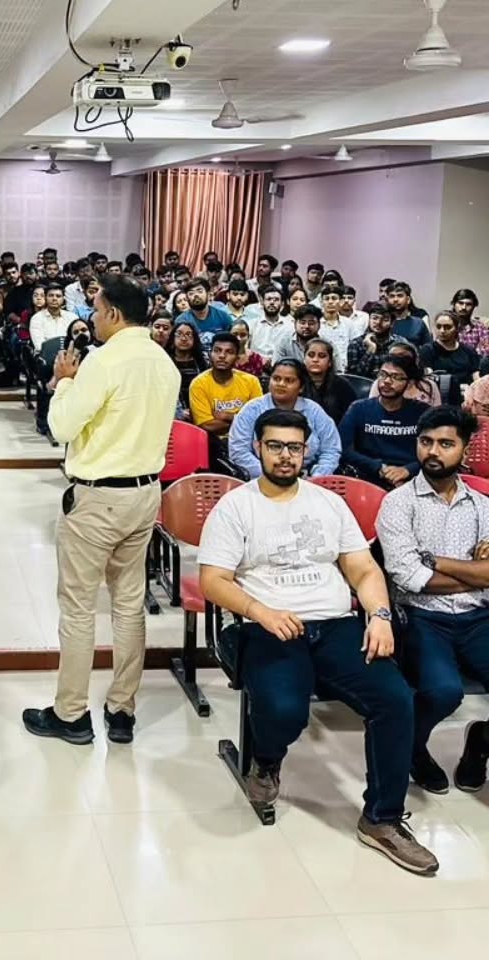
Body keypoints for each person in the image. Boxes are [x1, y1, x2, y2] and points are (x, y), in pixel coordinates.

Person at [198, 408, 437, 875]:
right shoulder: (236, 506)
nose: (285, 456)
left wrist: (380, 616)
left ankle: (382, 819)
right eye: (275, 446)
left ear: (306, 451)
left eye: (294, 447)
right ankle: (266, 761)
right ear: (257, 448)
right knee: (285, 709)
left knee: (395, 700)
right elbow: (213, 580)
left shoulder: (327, 503)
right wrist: (262, 612)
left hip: (335, 623)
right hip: (267, 624)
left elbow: (363, 569)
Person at [22, 275, 179, 746]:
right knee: (129, 604)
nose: (91, 318)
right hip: (145, 493)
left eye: (95, 309)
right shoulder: (164, 361)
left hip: (98, 497)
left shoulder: (103, 361)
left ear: (113, 313)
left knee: (78, 607)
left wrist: (64, 382)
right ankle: (121, 709)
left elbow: (61, 426)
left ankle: (71, 713)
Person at [377, 406, 489, 796]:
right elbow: (408, 578)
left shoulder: (482, 506)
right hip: (422, 617)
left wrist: (434, 560)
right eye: (426, 442)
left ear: (464, 449)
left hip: (480, 616)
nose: (433, 452)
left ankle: (481, 743)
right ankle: (412, 746)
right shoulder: (398, 503)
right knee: (444, 692)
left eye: (445, 443)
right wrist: (474, 573)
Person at [228, 358, 341, 478]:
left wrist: (317, 477)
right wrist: (273, 475)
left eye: (289, 380)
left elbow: (331, 450)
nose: (281, 384)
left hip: (307, 478)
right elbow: (239, 451)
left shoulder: (314, 411)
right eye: (276, 379)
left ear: (301, 387)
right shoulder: (252, 410)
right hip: (261, 477)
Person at [339, 355, 427, 488]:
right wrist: (378, 468)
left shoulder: (422, 412)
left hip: (413, 478)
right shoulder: (358, 409)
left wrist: (408, 470)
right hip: (368, 477)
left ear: (409, 383)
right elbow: (343, 449)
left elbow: (433, 452)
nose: (386, 381)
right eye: (383, 374)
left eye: (396, 377)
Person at [188, 333, 263, 457]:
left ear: (237, 357)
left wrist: (227, 416)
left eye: (229, 352)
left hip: (248, 442)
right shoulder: (198, 384)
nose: (222, 356)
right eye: (217, 351)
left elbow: (259, 419)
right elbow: (206, 425)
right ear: (210, 354)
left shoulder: (251, 381)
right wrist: (242, 420)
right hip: (213, 445)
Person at [419, 312, 479, 404]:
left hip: (466, 396)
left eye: (447, 327)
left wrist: (472, 390)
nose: (442, 331)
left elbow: (476, 377)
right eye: (438, 327)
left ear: (457, 328)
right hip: (440, 396)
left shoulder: (468, 351)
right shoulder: (428, 350)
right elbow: (428, 379)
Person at [368, 341, 440, 406]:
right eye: (392, 357)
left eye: (403, 357)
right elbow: (372, 408)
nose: (396, 361)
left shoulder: (429, 385)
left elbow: (437, 412)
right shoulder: (381, 383)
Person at [303, 338, 356, 425]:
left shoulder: (343, 386)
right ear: (304, 360)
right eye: (311, 355)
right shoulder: (296, 383)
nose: (315, 360)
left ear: (330, 362)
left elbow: (351, 418)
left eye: (322, 356)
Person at [176, 278, 232, 352]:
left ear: (208, 294)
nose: (196, 295)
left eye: (199, 291)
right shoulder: (181, 320)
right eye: (191, 293)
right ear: (187, 298)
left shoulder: (223, 317)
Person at [347, 302, 397, 379]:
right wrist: (370, 351)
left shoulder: (399, 344)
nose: (378, 322)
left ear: (392, 323)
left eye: (385, 319)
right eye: (375, 318)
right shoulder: (356, 344)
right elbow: (354, 377)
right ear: (369, 319)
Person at [315, 285, 354, 373]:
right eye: (327, 299)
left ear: (341, 301)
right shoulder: (317, 324)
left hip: (346, 370)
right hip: (323, 369)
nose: (330, 302)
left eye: (334, 298)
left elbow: (354, 345)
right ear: (321, 302)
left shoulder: (349, 323)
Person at [249, 285, 289, 367]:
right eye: (269, 299)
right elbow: (245, 348)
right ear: (262, 302)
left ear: (282, 304)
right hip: (255, 366)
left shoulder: (290, 326)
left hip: (281, 366)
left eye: (276, 300)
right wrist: (260, 359)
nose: (272, 302)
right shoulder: (252, 324)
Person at [28, 284, 77, 352]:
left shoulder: (72, 317)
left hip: (69, 354)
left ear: (63, 299)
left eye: (58, 296)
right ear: (45, 297)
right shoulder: (36, 319)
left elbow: (76, 341)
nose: (54, 299)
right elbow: (39, 346)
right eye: (51, 295)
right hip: (44, 355)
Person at [388, 281, 431, 347]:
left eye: (400, 296)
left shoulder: (418, 323)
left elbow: (428, 347)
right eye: (392, 296)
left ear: (408, 300)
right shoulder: (383, 323)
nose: (395, 299)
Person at [451, 288, 489, 357]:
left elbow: (486, 350)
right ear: (454, 304)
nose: (463, 307)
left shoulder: (480, 327)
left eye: (468, 304)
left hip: (475, 362)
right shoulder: (445, 326)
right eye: (460, 303)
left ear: (474, 306)